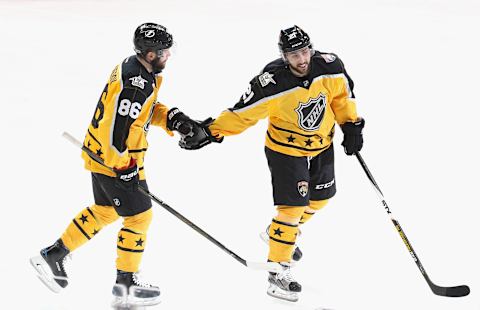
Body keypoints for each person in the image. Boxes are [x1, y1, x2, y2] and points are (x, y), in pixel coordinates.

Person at [180, 25, 365, 302]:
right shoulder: (271, 83)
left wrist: (351, 126)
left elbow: (342, 97)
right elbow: (241, 114)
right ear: (283, 56)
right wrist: (210, 131)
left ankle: (277, 233)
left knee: (322, 197)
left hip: (321, 145)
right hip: (285, 151)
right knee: (292, 209)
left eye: (304, 51)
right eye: (293, 55)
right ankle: (278, 271)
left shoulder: (331, 67)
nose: (301, 59)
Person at [30, 22, 199, 305]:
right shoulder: (137, 82)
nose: (167, 56)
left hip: (104, 156)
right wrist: (123, 167)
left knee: (106, 211)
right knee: (139, 216)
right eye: (163, 52)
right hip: (114, 160)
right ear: (148, 54)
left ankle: (53, 256)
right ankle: (126, 285)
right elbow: (116, 129)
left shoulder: (138, 70)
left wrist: (173, 119)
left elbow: (142, 112)